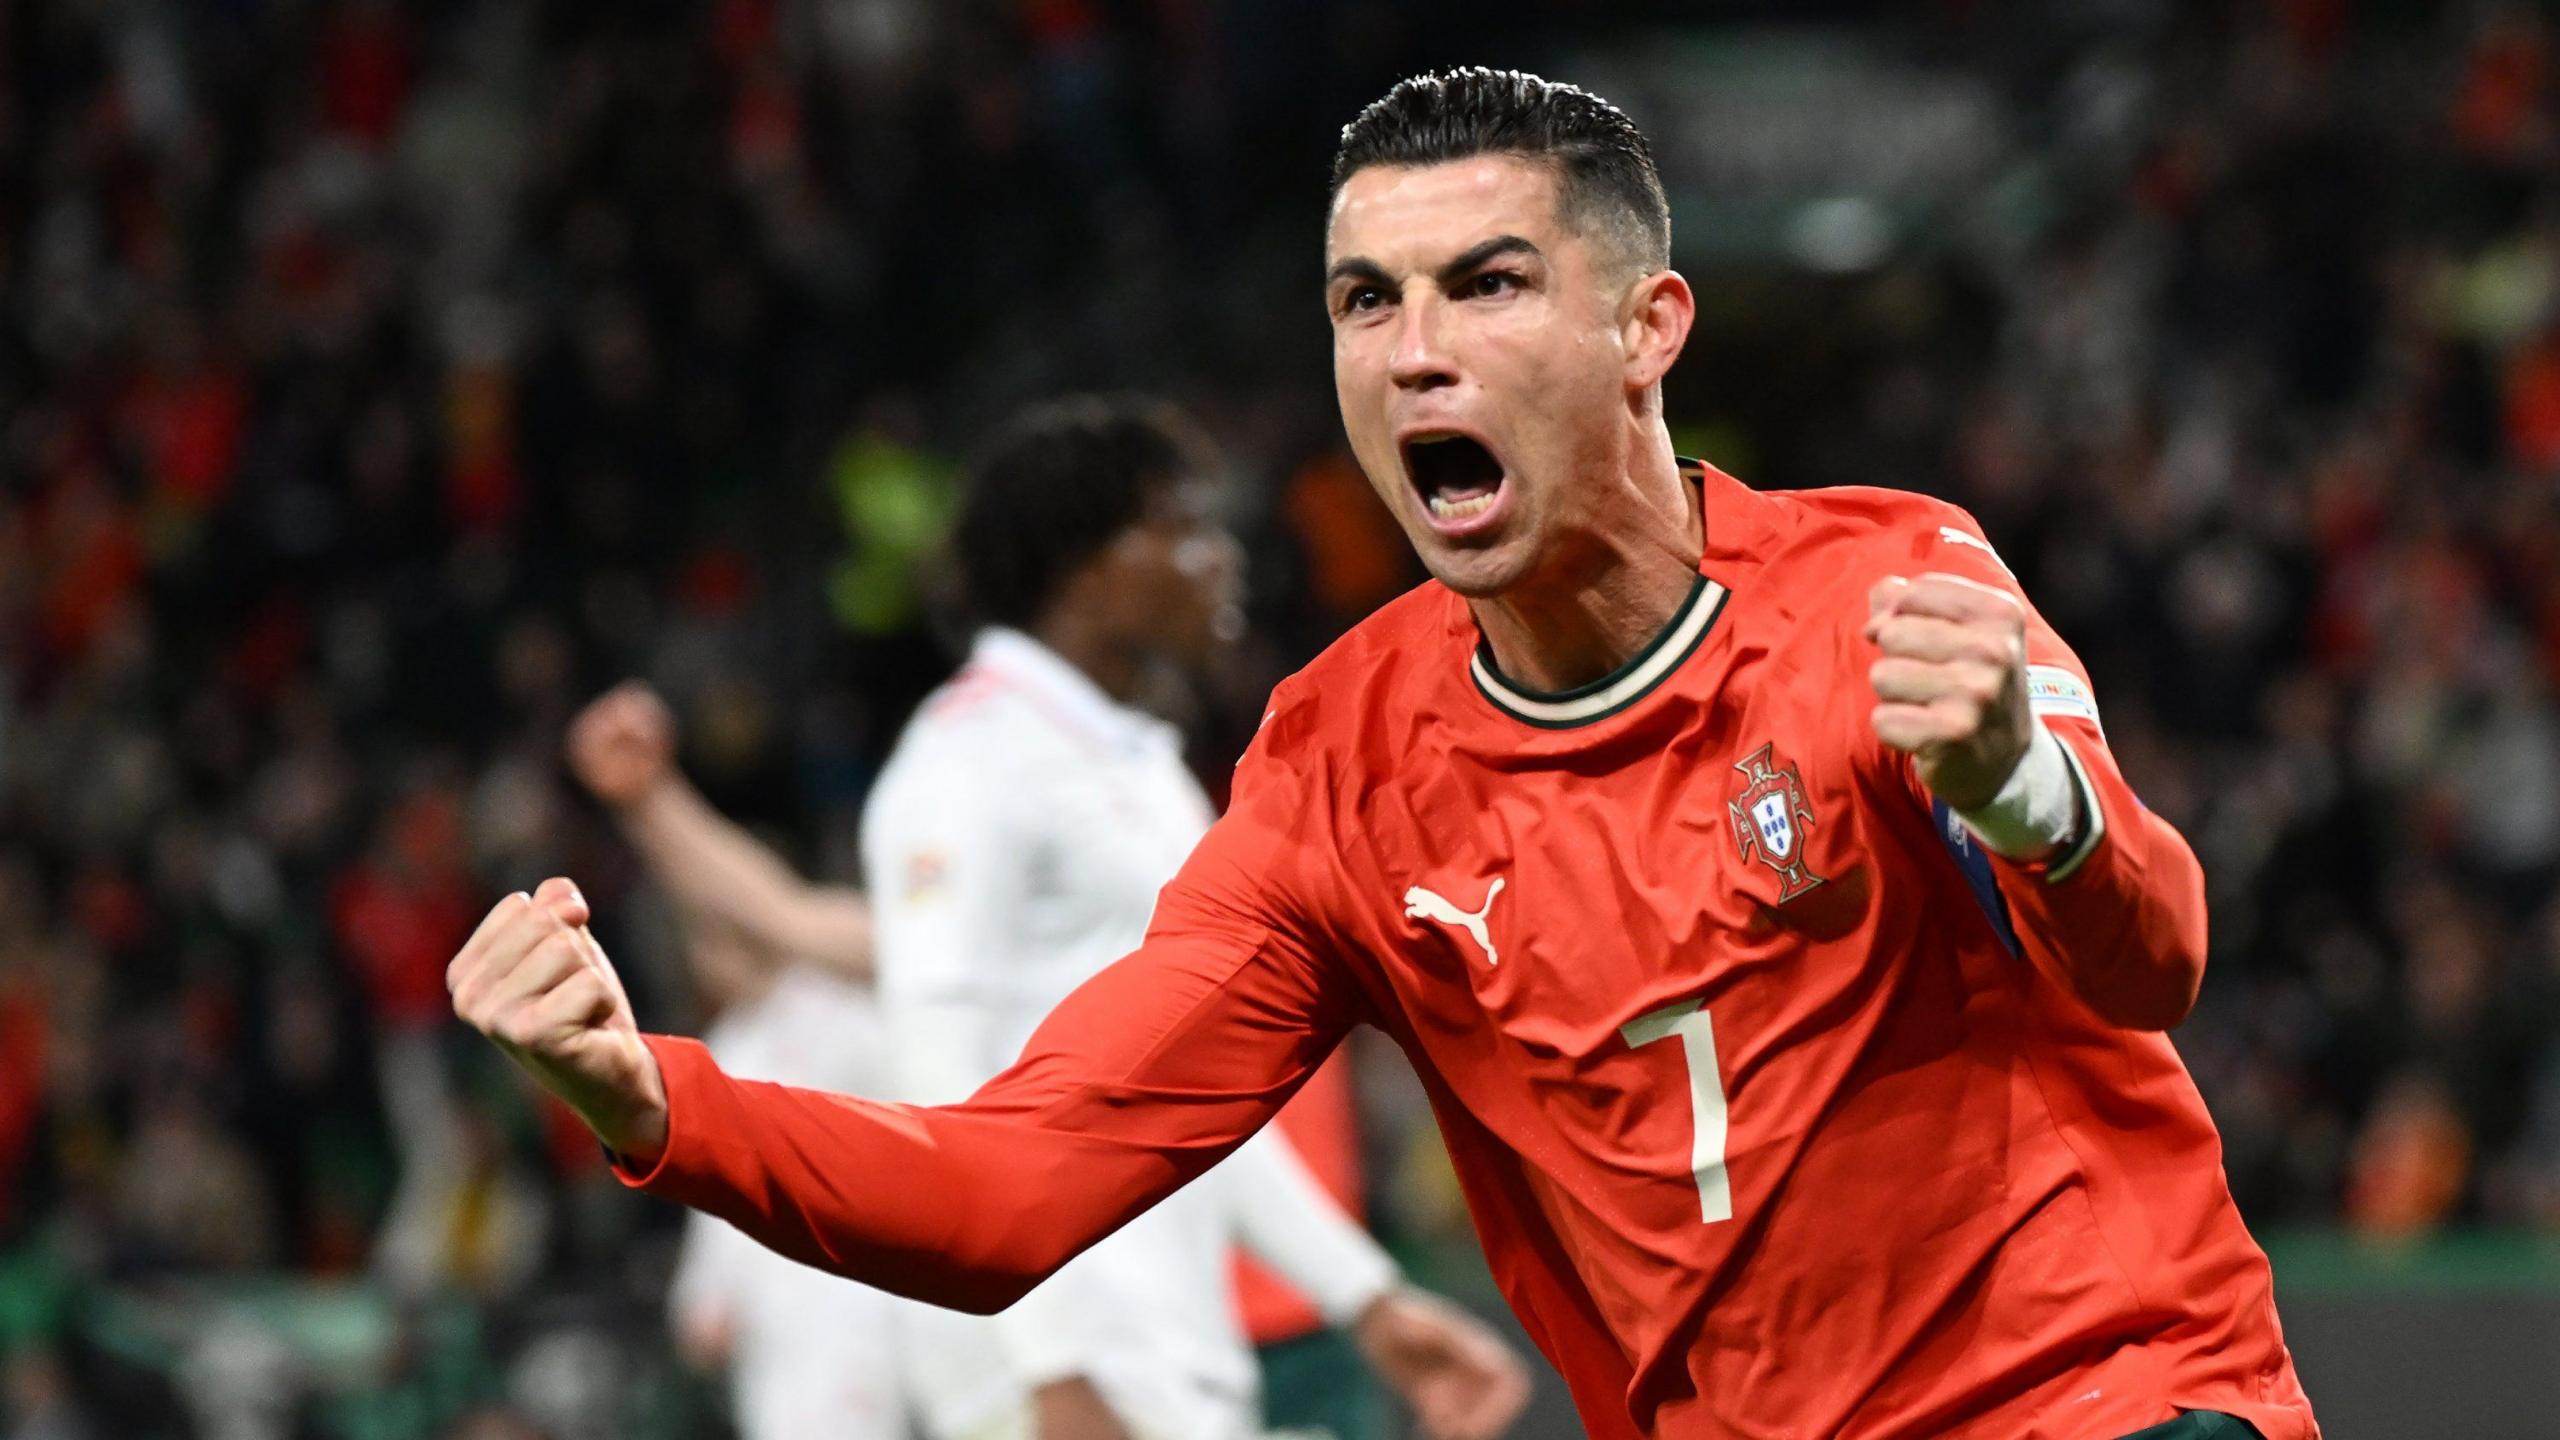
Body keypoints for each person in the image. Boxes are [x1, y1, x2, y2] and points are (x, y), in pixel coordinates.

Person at [450, 68, 2323, 1440]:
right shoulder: (1335, 773)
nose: (1415, 353)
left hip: (2109, 1396)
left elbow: (2152, 960)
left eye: (1487, 285)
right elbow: (1010, 1193)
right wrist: (653, 1103)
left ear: (1642, 329)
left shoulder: (1892, 590)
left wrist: (2028, 792)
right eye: (1368, 301)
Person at [563, 396, 1530, 1440]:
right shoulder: (968, 759)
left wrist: (1364, 1298)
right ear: (1087, 566)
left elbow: (1180, 1103)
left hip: (1167, 1348)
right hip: (1055, 1374)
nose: (1222, 557)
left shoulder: (1142, 772)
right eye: (1184, 527)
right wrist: (1046, 1370)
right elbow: (939, 1068)